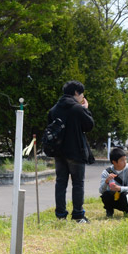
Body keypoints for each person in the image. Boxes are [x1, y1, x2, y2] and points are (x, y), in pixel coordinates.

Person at [49, 80, 95, 223]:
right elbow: (89, 125)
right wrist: (86, 108)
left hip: (58, 151)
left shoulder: (54, 109)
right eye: (81, 94)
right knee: (78, 183)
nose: (82, 97)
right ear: (76, 93)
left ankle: (60, 215)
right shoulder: (77, 108)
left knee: (60, 182)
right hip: (75, 151)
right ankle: (78, 215)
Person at [99, 147, 128, 217]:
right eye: (122, 160)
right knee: (106, 195)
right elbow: (101, 191)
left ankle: (127, 211)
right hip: (113, 198)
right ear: (114, 162)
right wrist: (106, 182)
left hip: (124, 198)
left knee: (126, 195)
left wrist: (119, 188)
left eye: (125, 159)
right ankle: (109, 211)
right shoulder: (106, 172)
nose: (125, 162)